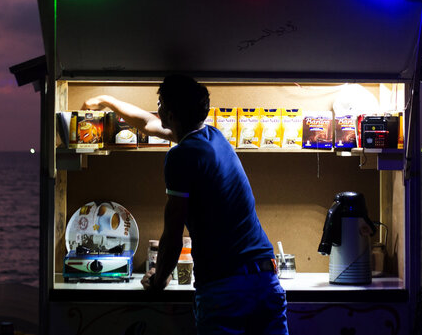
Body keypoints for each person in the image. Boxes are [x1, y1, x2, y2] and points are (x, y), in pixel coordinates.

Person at [82, 74, 289, 335]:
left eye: (159, 103)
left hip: (225, 288)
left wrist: (158, 280)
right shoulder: (214, 136)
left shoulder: (180, 156)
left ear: (168, 112)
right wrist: (107, 100)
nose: (156, 109)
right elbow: (148, 124)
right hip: (265, 280)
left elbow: (173, 234)